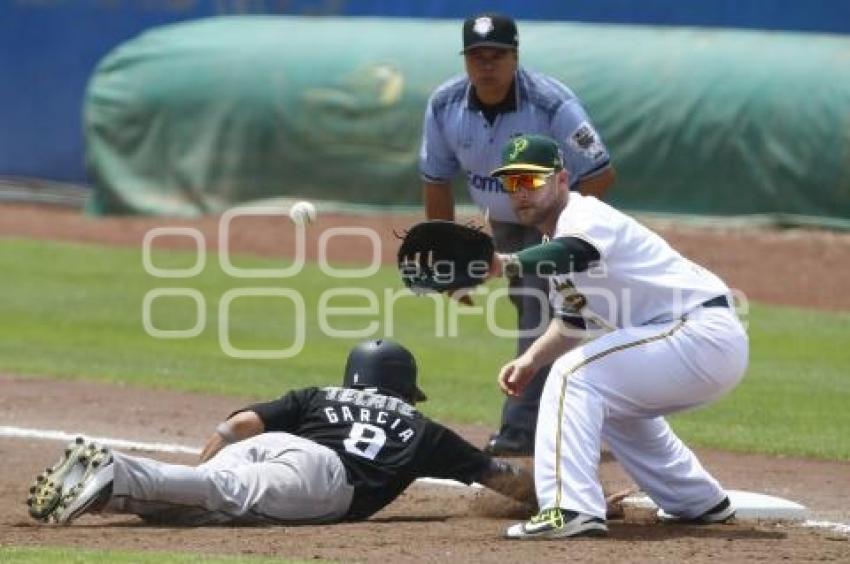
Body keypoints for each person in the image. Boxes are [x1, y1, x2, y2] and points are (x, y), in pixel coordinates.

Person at [483, 134, 748, 538]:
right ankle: (697, 500)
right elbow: (573, 321)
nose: (521, 192)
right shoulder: (552, 242)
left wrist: (507, 262)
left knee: (575, 376)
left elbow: (577, 252)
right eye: (512, 182)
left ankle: (568, 508)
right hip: (688, 342)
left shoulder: (584, 216)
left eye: (532, 180)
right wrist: (531, 360)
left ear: (561, 180)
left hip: (697, 332)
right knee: (608, 401)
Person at [26, 339, 534, 526]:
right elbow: (498, 476)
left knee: (207, 498)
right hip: (326, 480)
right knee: (224, 496)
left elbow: (239, 424)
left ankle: (102, 495)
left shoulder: (318, 396)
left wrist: (210, 459)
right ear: (404, 388)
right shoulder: (423, 429)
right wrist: (550, 499)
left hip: (269, 446)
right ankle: (115, 471)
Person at [419, 13, 616, 456]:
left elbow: (600, 174)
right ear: (466, 60)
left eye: (497, 55)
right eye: (476, 55)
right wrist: (445, 253)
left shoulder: (550, 103)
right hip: (505, 222)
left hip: (559, 219)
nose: (486, 64)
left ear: (515, 57)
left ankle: (520, 432)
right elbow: (436, 180)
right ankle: (584, 419)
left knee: (538, 306)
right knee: (548, 310)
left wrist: (561, 224)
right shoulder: (445, 104)